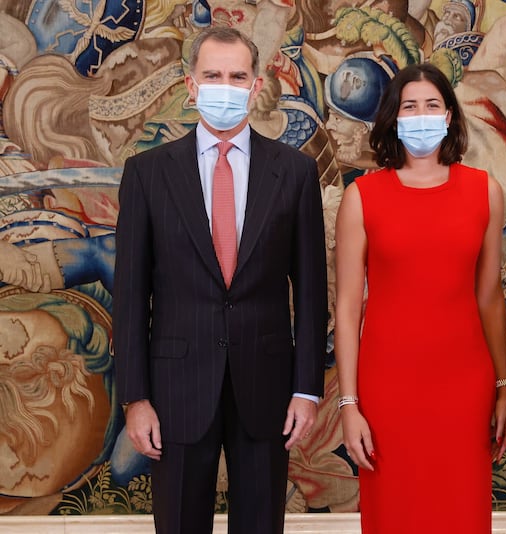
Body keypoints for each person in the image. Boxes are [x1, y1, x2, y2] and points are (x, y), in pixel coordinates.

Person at [113, 26, 327, 534]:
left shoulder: (295, 173)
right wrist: (135, 398)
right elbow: (129, 295)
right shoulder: (147, 173)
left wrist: (307, 390)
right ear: (192, 85)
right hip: (175, 391)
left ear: (255, 86)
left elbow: (313, 292)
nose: (224, 86)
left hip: (269, 390)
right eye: (212, 75)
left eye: (236, 76)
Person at [334, 62, 506, 534]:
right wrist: (348, 404)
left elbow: (490, 297)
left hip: (464, 385)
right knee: (395, 514)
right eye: (409, 106)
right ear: (393, 117)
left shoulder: (484, 192)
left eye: (432, 104)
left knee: (461, 514)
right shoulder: (362, 197)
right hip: (387, 388)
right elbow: (348, 310)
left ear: (450, 115)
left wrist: (503, 386)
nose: (421, 115)